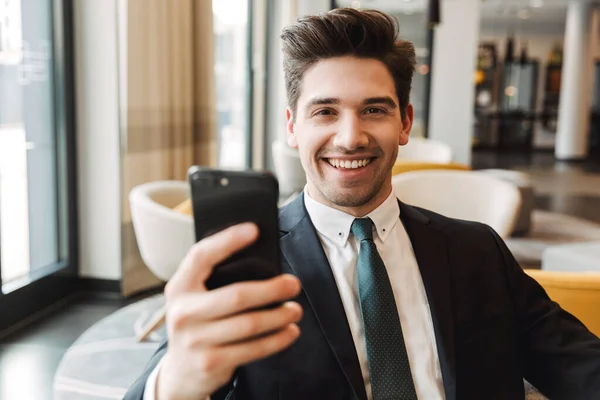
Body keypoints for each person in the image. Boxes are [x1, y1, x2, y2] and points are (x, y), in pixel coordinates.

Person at [124, 8, 600, 400]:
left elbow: (578, 364)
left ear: (405, 122)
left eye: (374, 109)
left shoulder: (478, 249)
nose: (350, 138)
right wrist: (176, 384)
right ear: (292, 126)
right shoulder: (249, 264)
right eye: (325, 111)